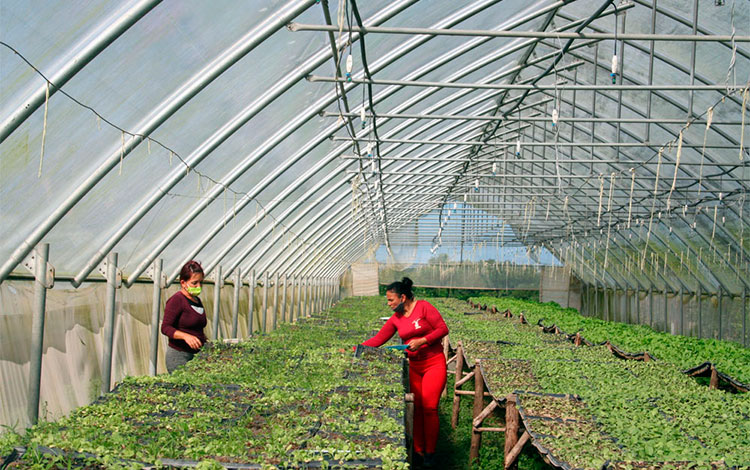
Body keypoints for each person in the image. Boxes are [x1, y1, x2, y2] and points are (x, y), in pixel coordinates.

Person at [360, 277, 449, 467]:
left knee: (430, 408)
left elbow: (443, 329)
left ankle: (431, 453)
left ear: (402, 297)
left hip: (434, 363)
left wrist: (423, 341)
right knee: (416, 408)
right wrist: (355, 349)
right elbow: (377, 340)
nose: (389, 304)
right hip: (415, 366)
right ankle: (417, 451)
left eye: (391, 300)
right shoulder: (396, 319)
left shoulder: (424, 307)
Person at [161, 260, 207, 373]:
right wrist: (186, 336)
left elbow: (196, 327)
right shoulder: (177, 300)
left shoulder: (196, 300)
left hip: (196, 355)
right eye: (194, 283)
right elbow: (165, 328)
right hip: (179, 356)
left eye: (201, 282)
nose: (199, 286)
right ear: (183, 283)